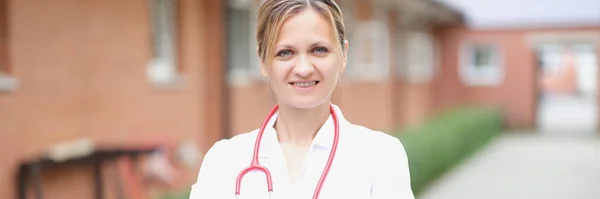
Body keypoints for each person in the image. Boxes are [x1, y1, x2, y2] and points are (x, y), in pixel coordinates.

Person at [189, 0, 414, 198]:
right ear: (262, 60)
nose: (304, 68)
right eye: (285, 53)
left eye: (319, 50)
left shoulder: (381, 156)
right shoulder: (224, 161)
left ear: (344, 55)